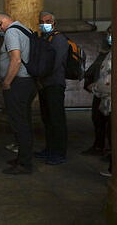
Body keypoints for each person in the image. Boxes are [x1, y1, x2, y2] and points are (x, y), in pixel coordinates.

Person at [0, 12, 37, 175]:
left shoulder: (11, 32)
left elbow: (16, 59)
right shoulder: (24, 28)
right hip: (28, 82)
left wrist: (7, 82)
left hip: (18, 83)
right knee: (24, 122)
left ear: (0, 22)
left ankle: (24, 163)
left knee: (20, 123)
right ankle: (23, 158)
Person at [34, 12, 69, 165]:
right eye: (42, 21)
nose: (44, 23)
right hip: (44, 84)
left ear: (54, 22)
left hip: (54, 83)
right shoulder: (44, 38)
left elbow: (56, 63)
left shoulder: (59, 39)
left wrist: (43, 77)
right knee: (47, 119)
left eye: (47, 21)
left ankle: (59, 152)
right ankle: (50, 149)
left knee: (57, 119)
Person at [82, 31, 112, 156]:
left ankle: (111, 152)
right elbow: (95, 69)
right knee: (97, 119)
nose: (109, 37)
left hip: (107, 92)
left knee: (111, 125)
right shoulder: (104, 52)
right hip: (99, 92)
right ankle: (99, 146)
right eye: (109, 33)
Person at [90, 25, 112, 177]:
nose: (109, 37)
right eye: (108, 34)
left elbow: (108, 82)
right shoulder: (108, 52)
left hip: (111, 98)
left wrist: (95, 87)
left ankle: (116, 168)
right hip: (106, 99)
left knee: (114, 132)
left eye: (112, 34)